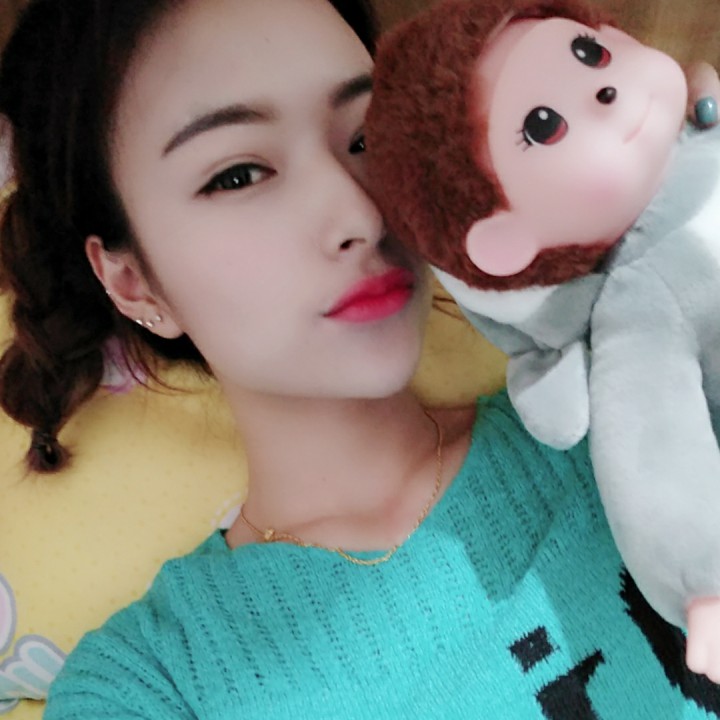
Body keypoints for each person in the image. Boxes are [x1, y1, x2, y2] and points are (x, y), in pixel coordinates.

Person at [0, 0, 719, 716]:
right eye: (239, 174)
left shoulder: (643, 406)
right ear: (132, 281)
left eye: (368, 139)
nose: (361, 215)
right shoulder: (154, 684)